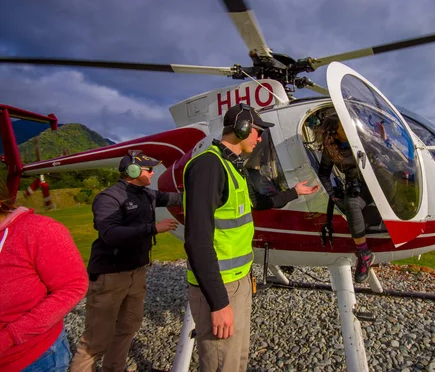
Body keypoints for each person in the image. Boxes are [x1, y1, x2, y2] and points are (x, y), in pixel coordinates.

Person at [184, 103, 318, 372]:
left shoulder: (234, 167)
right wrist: (219, 302)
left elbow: (258, 202)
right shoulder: (209, 166)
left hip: (240, 280)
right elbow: (197, 242)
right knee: (221, 364)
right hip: (220, 287)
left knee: (236, 360)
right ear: (242, 128)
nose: (260, 138)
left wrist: (294, 192)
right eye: (257, 132)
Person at [70, 151, 182, 372]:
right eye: (148, 169)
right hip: (110, 275)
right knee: (95, 341)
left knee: (128, 327)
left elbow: (176, 198)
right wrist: (153, 229)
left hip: (136, 272)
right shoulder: (108, 198)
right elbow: (109, 233)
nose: (152, 173)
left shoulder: (146, 194)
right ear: (132, 171)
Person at [0, 179, 88, 372]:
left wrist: (9, 337)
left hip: (31, 357)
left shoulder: (38, 230)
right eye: (146, 170)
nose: (149, 175)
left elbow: (74, 285)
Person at [318, 114, 375, 283]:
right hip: (356, 187)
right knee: (351, 204)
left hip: (375, 183)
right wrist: (333, 195)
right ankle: (364, 253)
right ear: (335, 134)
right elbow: (323, 174)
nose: (348, 128)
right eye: (343, 127)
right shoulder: (330, 152)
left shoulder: (360, 139)